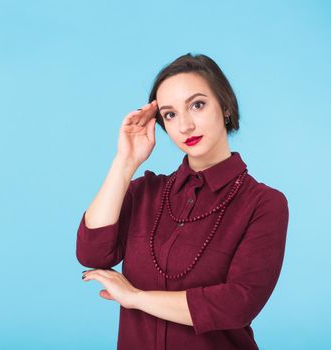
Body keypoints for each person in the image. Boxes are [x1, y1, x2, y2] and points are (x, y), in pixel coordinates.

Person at [76, 53, 289, 350]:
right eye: (170, 114)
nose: (185, 125)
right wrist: (125, 162)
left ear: (225, 107)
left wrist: (136, 298)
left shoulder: (263, 204)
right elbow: (93, 253)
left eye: (197, 105)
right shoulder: (145, 191)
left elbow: (238, 304)